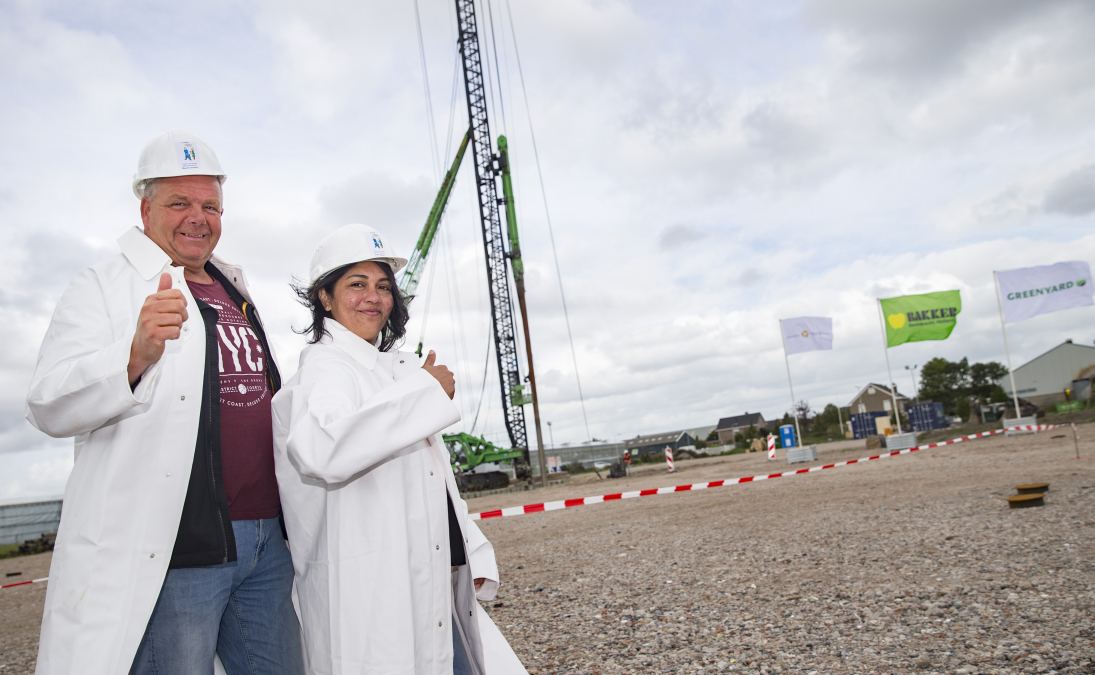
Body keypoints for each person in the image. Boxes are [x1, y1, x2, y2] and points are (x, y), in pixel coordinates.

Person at [25, 129, 303, 675]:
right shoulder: (103, 287)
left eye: (210, 206)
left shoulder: (233, 288)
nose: (198, 218)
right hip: (178, 547)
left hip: (264, 537)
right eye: (180, 203)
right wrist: (132, 355)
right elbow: (46, 403)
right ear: (145, 206)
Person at [272, 223, 527, 674]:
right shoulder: (327, 368)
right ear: (325, 298)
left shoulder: (395, 371)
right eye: (357, 284)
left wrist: (474, 551)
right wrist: (426, 394)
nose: (373, 297)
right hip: (371, 598)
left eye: (383, 286)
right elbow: (322, 448)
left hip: (427, 583)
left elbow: (436, 481)